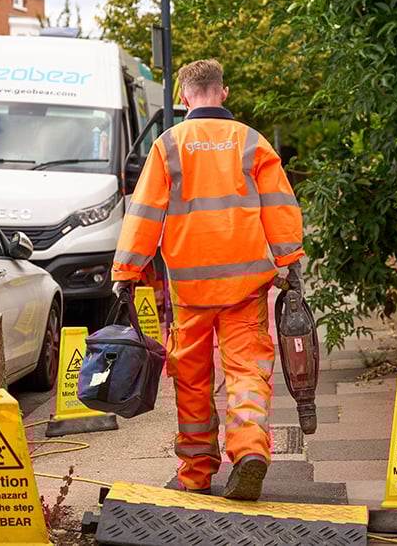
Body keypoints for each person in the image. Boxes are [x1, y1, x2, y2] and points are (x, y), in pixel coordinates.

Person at [110, 59, 304, 501]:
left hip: (189, 289)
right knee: (247, 369)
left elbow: (144, 214)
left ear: (182, 97)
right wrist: (289, 261)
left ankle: (196, 475)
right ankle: (250, 449)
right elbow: (279, 206)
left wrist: (126, 270)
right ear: (224, 93)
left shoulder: (168, 145)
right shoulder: (251, 143)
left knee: (192, 380)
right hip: (246, 284)